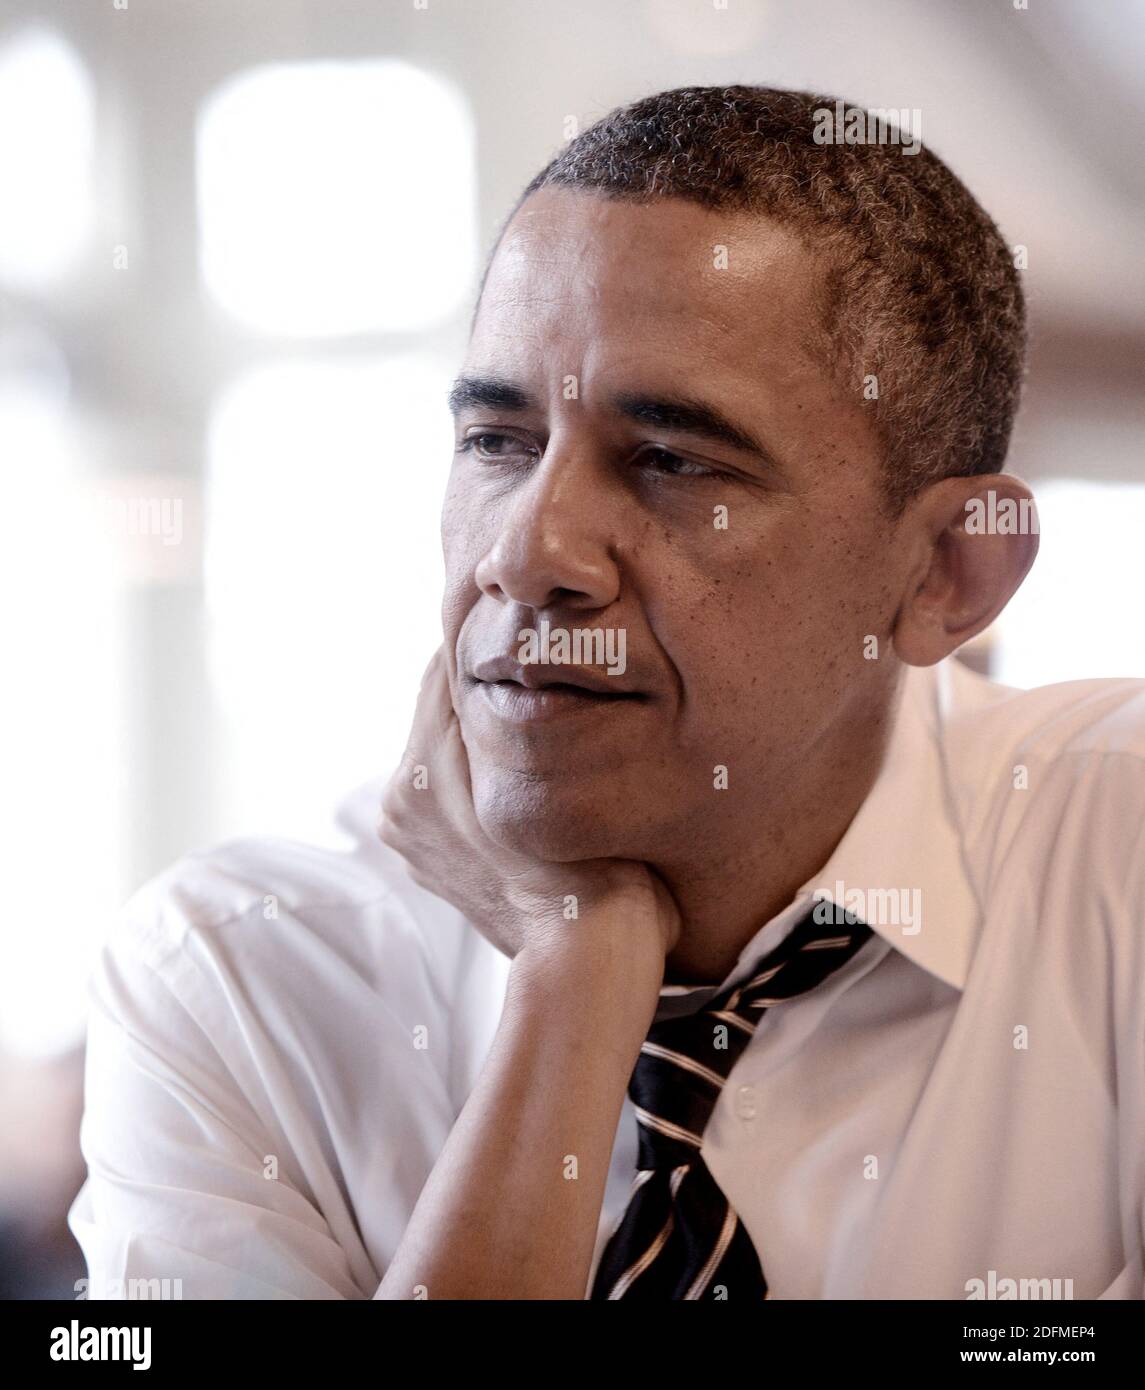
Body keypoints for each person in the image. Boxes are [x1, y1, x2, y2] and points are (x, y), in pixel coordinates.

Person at [69, 85, 1145, 1300]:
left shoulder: (1112, 857)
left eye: (672, 460)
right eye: (498, 441)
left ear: (946, 571)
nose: (527, 554)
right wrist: (572, 982)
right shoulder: (236, 975)